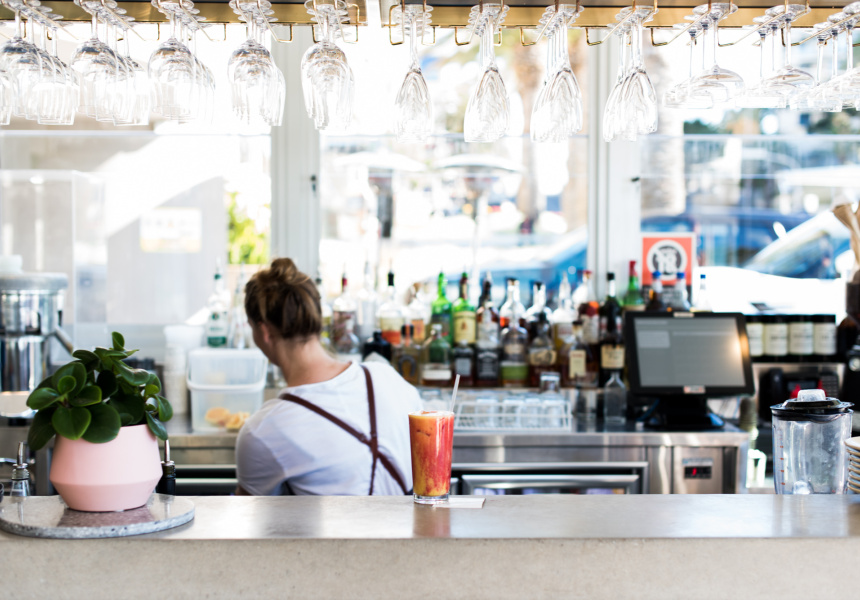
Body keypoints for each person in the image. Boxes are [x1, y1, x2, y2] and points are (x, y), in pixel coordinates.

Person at [235, 258, 421, 496]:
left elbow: (249, 515)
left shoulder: (263, 432)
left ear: (264, 331)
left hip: (337, 524)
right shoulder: (388, 378)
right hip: (409, 521)